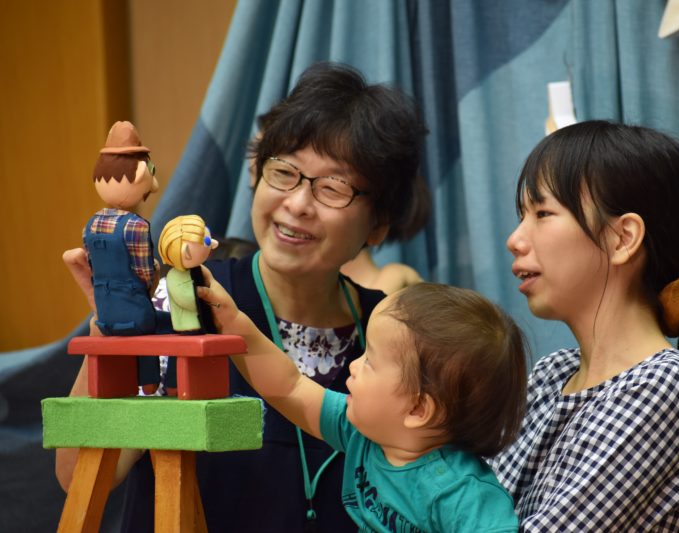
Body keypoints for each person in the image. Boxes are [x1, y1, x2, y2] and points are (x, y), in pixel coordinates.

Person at [58, 62, 429, 533]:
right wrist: (111, 339)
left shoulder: (397, 334)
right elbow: (81, 476)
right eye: (284, 173)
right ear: (257, 175)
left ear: (378, 224)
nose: (297, 203)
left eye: (333, 188)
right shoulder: (183, 299)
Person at [491, 120, 679, 531]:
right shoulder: (552, 373)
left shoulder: (664, 384)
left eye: (543, 213)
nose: (515, 239)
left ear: (623, 238)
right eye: (522, 215)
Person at [198, 279, 527, 532]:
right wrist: (233, 323)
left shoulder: (461, 494)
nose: (354, 365)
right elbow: (289, 387)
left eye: (370, 361)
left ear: (417, 410)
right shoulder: (363, 434)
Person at [83, 120, 162, 389]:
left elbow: (92, 264)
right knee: (159, 326)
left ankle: (115, 383)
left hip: (104, 313)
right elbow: (144, 273)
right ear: (140, 173)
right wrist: (153, 275)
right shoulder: (136, 226)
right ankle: (151, 382)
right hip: (134, 311)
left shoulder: (91, 224)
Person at [157, 215, 219, 333]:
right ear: (187, 253)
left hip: (203, 320)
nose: (213, 243)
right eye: (207, 241)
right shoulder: (174, 276)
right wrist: (202, 295)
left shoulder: (198, 269)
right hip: (188, 323)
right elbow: (184, 299)